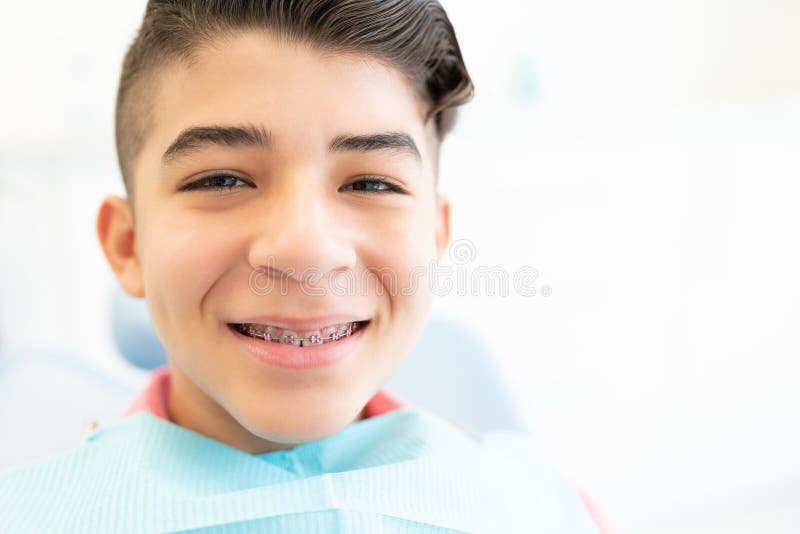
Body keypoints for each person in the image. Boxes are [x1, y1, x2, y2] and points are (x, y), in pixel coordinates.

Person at [0, 1, 608, 531]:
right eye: (221, 178)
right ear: (128, 245)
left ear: (434, 238)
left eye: (371, 181)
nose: (306, 250)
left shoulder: (544, 506)